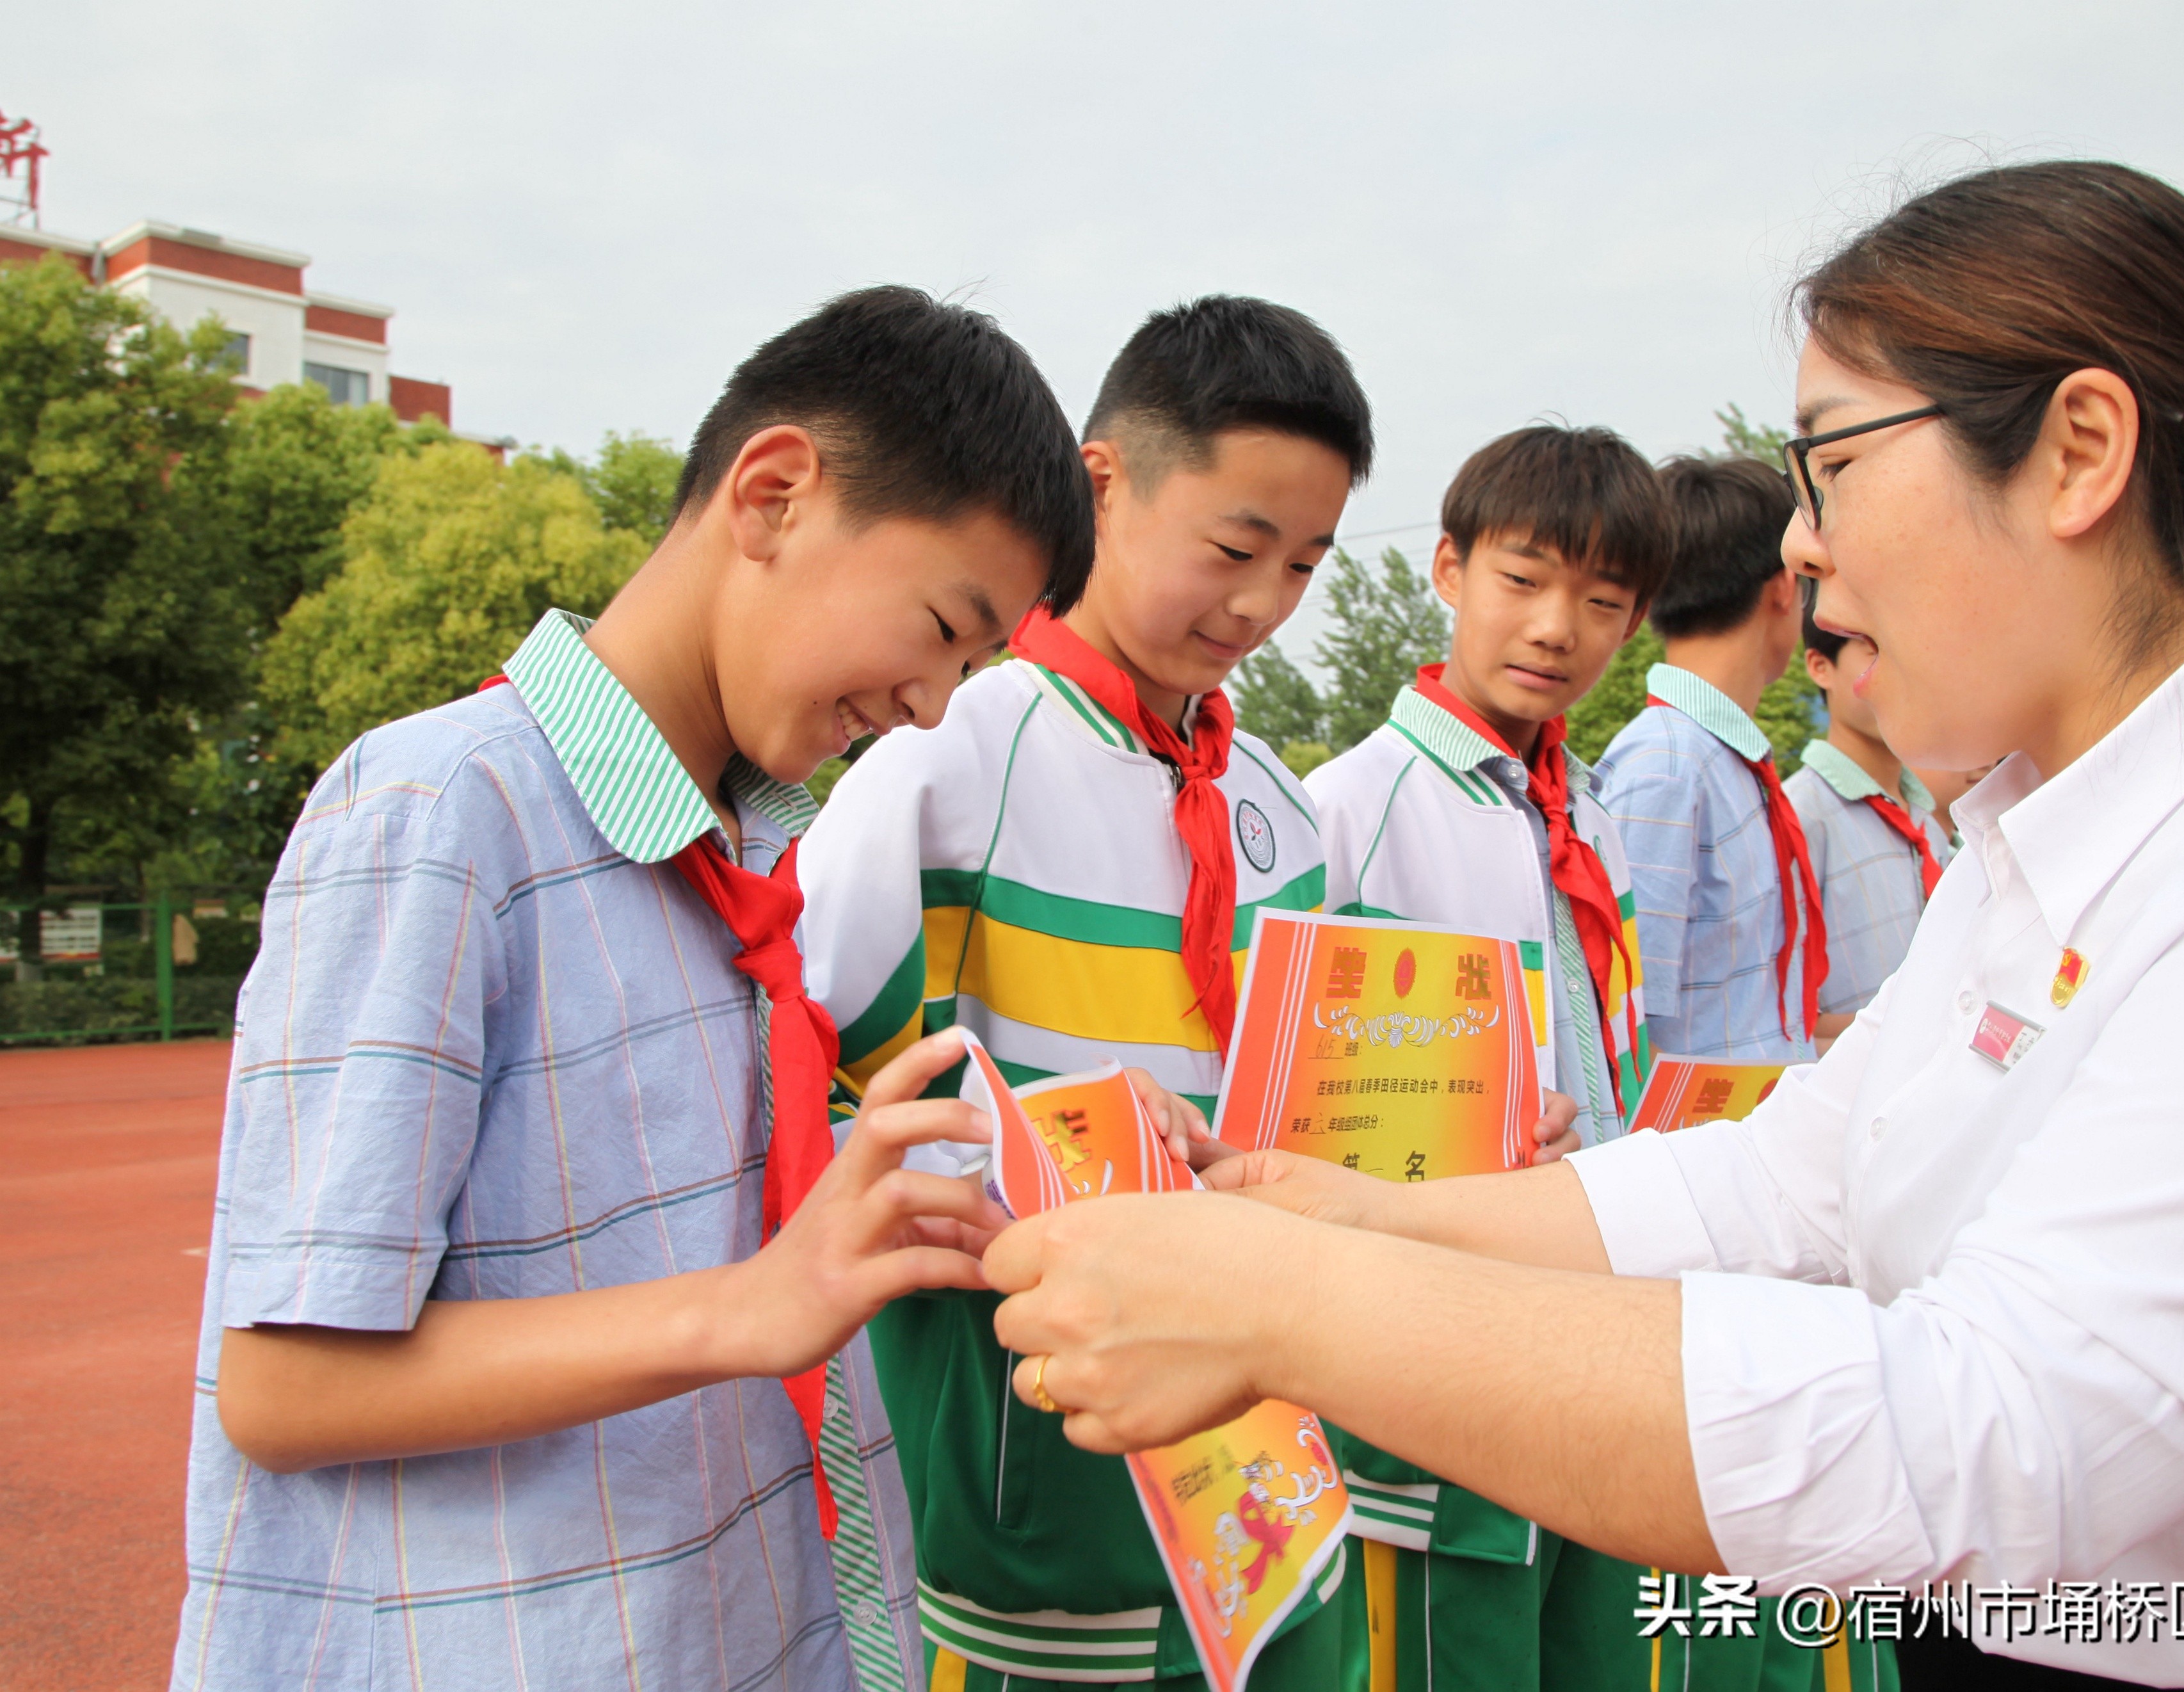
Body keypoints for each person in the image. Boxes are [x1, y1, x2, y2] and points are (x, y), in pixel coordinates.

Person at [978, 160, 2184, 1692]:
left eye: (1833, 466)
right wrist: (1333, 1218)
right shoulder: (2035, 848)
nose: (1797, 545)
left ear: (2077, 452)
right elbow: (1785, 1186)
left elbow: (2000, 1437)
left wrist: (1287, 1305)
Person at [173, 287, 1090, 1691]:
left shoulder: (745, 853)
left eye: (974, 667)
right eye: (943, 627)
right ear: (773, 493)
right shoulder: (442, 812)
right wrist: (749, 1303)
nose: (931, 703)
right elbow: (287, 1387)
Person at [794, 296, 1374, 1691]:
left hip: (1275, 1493)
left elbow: (1321, 1117)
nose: (1260, 605)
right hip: (1044, 1517)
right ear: (1099, 480)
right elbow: (812, 1111)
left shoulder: (1288, 816)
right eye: (1235, 547)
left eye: (1303, 565)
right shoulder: (944, 767)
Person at [1305, 423, 1700, 1691]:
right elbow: (1301, 1105)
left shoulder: (1584, 804)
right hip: (1438, 1345)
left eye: (1600, 602)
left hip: (1595, 1323)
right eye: (1521, 580)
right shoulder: (1351, 813)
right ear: (1445, 570)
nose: (1554, 628)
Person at [1596, 455, 1824, 1065]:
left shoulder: (1718, 760)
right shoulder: (1667, 766)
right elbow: (1627, 1019)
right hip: (1697, 1142)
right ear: (1783, 588)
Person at [1787, 588, 1950, 1045]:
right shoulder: (1800, 816)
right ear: (1820, 667)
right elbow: (1780, 1014)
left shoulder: (1928, 823)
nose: (1897, 669)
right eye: (1873, 649)